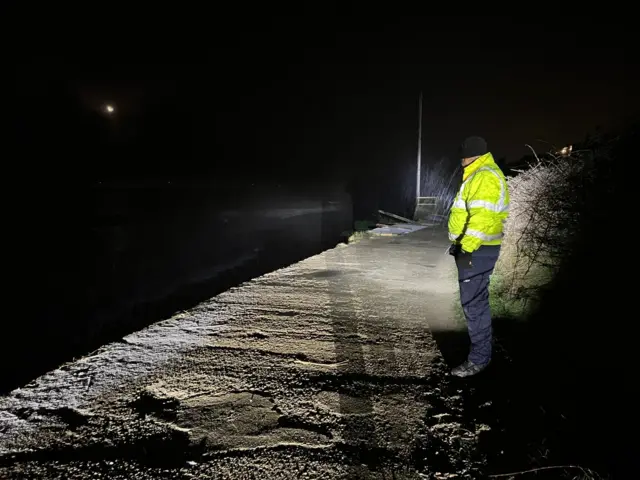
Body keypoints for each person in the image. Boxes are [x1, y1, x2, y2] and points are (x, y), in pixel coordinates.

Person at [448, 136, 510, 377]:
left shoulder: (483, 176)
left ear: (469, 155)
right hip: (478, 250)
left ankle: (479, 360)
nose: (460, 161)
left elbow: (481, 218)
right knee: (476, 302)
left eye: (461, 156)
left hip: (477, 250)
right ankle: (482, 353)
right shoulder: (481, 173)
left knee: (474, 305)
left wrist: (466, 248)